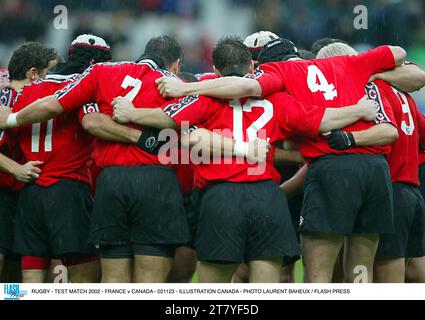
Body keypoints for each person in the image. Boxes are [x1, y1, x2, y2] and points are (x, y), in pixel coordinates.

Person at [111, 37, 379, 283]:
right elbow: (321, 120)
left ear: (214, 71)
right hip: (267, 199)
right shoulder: (276, 100)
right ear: (253, 67)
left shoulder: (204, 97)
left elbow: (170, 122)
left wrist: (131, 113)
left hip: (221, 199)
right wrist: (358, 110)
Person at [9, 35, 113, 283]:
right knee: (83, 276)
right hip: (68, 189)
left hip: (31, 189)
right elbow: (93, 124)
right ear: (93, 63)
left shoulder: (28, 89)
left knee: (32, 272)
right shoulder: (84, 87)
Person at [0, 42, 58, 280]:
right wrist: (16, 169)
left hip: (18, 194)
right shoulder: (7, 98)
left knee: (15, 262)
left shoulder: (15, 88)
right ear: (33, 73)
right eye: (50, 73)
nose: (53, 79)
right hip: (3, 190)